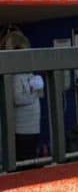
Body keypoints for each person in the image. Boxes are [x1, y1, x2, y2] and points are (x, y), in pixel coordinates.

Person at [3, 30, 45, 162]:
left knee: (31, 159)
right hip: (22, 129)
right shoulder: (16, 76)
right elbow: (17, 98)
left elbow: (40, 94)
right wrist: (34, 94)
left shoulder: (29, 73)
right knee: (25, 161)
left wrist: (38, 87)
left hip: (33, 126)